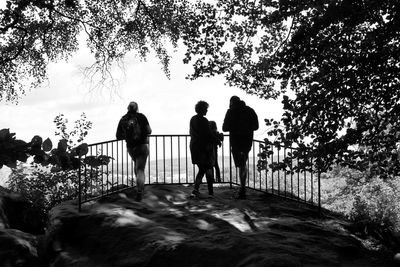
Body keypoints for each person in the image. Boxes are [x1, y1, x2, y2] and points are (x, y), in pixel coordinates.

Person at [222, 96, 259, 199]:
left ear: (231, 103)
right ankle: (242, 188)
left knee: (240, 165)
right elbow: (256, 126)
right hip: (247, 141)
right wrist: (246, 128)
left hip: (236, 142)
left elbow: (224, 128)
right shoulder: (250, 110)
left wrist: (235, 127)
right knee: (243, 164)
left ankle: (242, 189)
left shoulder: (231, 112)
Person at [116, 101, 152, 201]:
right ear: (137, 108)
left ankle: (139, 187)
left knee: (136, 165)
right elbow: (149, 130)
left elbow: (118, 136)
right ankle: (139, 192)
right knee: (140, 169)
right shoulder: (141, 117)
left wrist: (128, 135)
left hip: (130, 147)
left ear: (128, 108)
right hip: (142, 146)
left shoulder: (123, 119)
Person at [189, 101, 215, 198]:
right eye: (206, 109)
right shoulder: (203, 120)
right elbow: (208, 134)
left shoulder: (193, 119)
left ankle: (196, 190)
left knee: (202, 169)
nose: (207, 110)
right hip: (203, 148)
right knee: (207, 168)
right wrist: (217, 139)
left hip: (194, 147)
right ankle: (210, 192)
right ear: (202, 109)